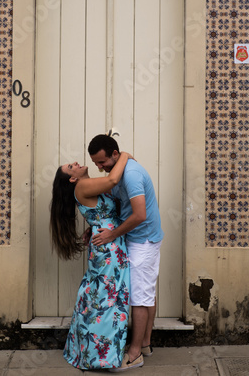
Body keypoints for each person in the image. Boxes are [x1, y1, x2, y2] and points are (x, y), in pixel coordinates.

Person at [87, 134, 164, 372]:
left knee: (139, 298)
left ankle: (134, 354)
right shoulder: (121, 171)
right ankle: (146, 344)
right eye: (96, 163)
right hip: (140, 239)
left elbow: (139, 214)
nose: (100, 167)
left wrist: (111, 234)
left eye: (103, 162)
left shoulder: (130, 174)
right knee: (146, 292)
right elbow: (114, 205)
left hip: (144, 242)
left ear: (115, 155)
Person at [50, 152, 132, 371]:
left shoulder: (86, 187)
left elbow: (100, 212)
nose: (76, 163)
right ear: (72, 179)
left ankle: (92, 352)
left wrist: (93, 225)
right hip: (108, 246)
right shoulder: (83, 187)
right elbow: (113, 180)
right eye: (71, 166)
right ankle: (101, 357)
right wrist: (124, 155)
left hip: (107, 242)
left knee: (103, 296)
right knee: (107, 299)